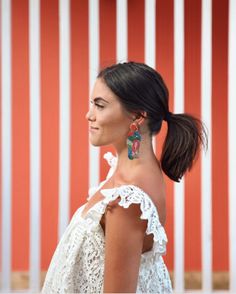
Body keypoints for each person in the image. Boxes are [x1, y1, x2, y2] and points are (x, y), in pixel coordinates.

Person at [42, 61, 208, 293]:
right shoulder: (128, 171)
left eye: (100, 105)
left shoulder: (128, 200)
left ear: (138, 116)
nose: (88, 115)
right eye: (92, 104)